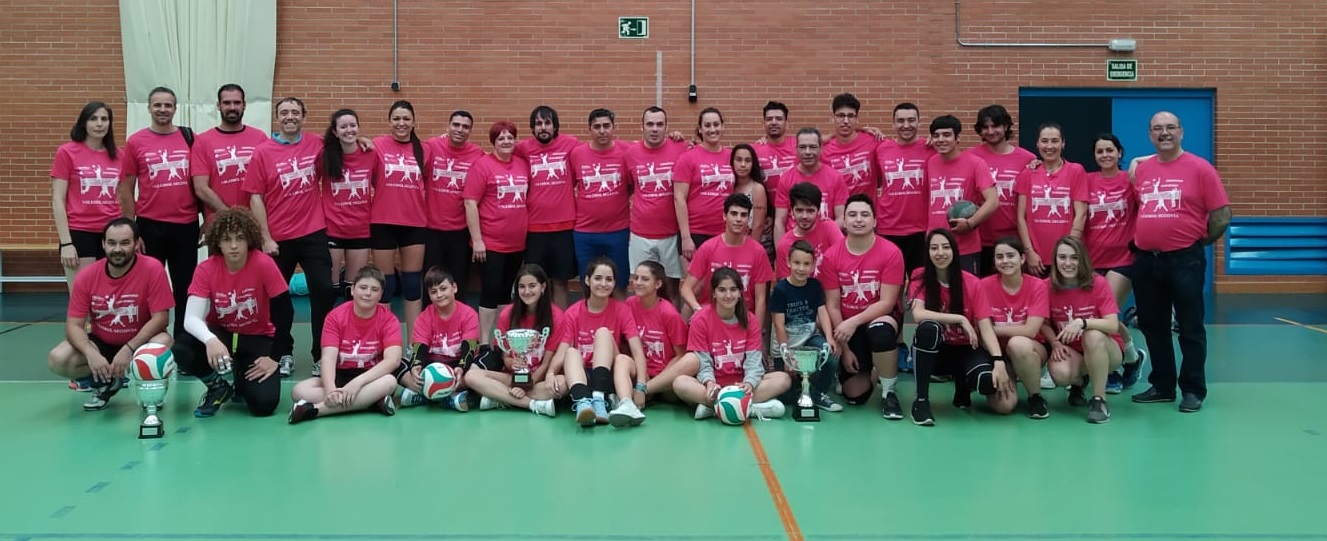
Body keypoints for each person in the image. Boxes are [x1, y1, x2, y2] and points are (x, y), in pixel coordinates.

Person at [1129, 111, 1231, 413]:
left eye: (1170, 127)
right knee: (1152, 325)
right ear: (1150, 135)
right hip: (1147, 261)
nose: (1164, 133)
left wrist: (1195, 242)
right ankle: (1162, 385)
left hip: (1185, 260)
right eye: (1157, 128)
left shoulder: (1201, 168)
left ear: (1181, 132)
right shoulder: (1143, 169)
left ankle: (1193, 389)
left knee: (1189, 326)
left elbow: (1222, 216)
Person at [243, 96, 336, 378]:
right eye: (284, 112)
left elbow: (344, 148)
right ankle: (282, 351)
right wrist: (266, 238)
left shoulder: (316, 144)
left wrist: (364, 141)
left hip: (313, 232)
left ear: (303, 117)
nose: (290, 116)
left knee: (323, 290)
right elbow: (255, 198)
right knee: (277, 298)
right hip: (278, 239)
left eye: (295, 112)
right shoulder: (263, 152)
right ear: (278, 118)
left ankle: (321, 354)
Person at [48, 218, 174, 411]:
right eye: (112, 243)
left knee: (163, 343)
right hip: (102, 343)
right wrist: (91, 354)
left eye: (125, 243)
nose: (117, 249)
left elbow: (161, 318)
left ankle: (149, 391)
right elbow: (73, 325)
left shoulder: (152, 268)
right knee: (58, 358)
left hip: (139, 343)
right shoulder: (87, 275)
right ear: (103, 244)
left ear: (136, 243)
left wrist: (129, 348)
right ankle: (104, 384)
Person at [171, 208, 285, 417]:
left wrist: (274, 357)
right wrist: (210, 340)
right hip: (222, 334)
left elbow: (286, 312)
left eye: (240, 238)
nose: (233, 246)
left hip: (257, 336)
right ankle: (217, 386)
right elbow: (191, 319)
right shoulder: (206, 269)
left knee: (263, 405)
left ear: (249, 240)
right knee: (182, 349)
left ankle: (241, 373)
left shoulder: (264, 264)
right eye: (227, 239)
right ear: (217, 242)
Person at [118, 86, 199, 337]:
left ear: (175, 108)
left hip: (185, 224)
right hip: (149, 225)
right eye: (158, 105)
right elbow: (126, 187)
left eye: (168, 105)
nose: (163, 110)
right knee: (148, 286)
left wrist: (208, 219)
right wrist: (132, 229)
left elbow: (202, 181)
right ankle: (149, 341)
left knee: (185, 286)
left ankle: (185, 343)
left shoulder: (189, 137)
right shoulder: (136, 142)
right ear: (149, 108)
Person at [906, 228, 1008, 426]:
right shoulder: (920, 276)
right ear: (927, 253)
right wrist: (960, 319)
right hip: (938, 352)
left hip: (965, 349)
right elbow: (918, 314)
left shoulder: (971, 283)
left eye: (945, 247)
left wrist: (998, 360)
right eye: (934, 248)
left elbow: (986, 327)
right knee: (928, 329)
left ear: (954, 250)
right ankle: (921, 401)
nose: (940, 253)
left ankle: (963, 386)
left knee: (987, 383)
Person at [821, 195, 907, 418]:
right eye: (852, 214)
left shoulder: (891, 252)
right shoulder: (831, 256)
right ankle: (875, 369)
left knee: (879, 331)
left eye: (864, 214)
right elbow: (833, 305)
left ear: (875, 221)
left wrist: (853, 322)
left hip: (880, 319)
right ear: (844, 221)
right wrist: (846, 349)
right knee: (853, 395)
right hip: (849, 327)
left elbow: (887, 303)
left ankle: (889, 393)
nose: (858, 220)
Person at [672, 268, 790, 421]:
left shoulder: (750, 320)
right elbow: (703, 361)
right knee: (680, 383)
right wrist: (709, 383)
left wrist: (750, 382)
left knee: (783, 379)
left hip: (741, 385)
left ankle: (716, 407)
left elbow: (754, 360)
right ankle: (748, 408)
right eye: (722, 290)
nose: (728, 295)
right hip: (715, 386)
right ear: (713, 293)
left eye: (733, 289)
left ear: (740, 293)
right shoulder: (700, 319)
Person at [288, 266, 401, 424]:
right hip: (341, 376)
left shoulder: (389, 320)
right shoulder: (335, 317)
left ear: (381, 294)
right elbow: (328, 357)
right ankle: (370, 402)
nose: (368, 293)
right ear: (353, 290)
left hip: (370, 378)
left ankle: (315, 410)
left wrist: (357, 383)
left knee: (389, 381)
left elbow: (393, 360)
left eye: (374, 289)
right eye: (363, 287)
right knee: (299, 391)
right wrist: (330, 390)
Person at [1084, 134, 1147, 393]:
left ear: (1119, 153)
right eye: (1100, 151)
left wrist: (1140, 159)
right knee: (1092, 315)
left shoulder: (1129, 179)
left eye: (1110, 150)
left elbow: (1165, 160)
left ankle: (1110, 372)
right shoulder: (1086, 180)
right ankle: (1132, 357)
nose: (1105, 155)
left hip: (1123, 259)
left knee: (1104, 314)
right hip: (1091, 259)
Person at [556, 257, 648, 427]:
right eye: (598, 278)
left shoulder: (622, 310)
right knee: (570, 352)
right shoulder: (572, 312)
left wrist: (641, 386)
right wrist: (549, 373)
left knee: (603, 333)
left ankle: (599, 399)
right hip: (585, 374)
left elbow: (637, 351)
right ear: (587, 280)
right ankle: (583, 403)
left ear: (614, 283)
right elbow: (562, 348)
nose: (603, 284)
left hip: (612, 375)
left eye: (609, 279)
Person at [1042, 236, 1123, 424]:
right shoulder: (1047, 286)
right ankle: (1080, 383)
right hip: (1073, 351)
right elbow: (1043, 323)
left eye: (1074, 257)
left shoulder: (1098, 283)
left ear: (1082, 260)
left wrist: (1083, 323)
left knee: (1092, 335)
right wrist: (1054, 342)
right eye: (1062, 257)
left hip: (1107, 350)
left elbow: (1112, 324)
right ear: (1055, 260)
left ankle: (1099, 400)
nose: (1068, 263)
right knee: (1060, 374)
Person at [463, 120, 531, 343]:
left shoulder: (522, 164)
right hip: (490, 244)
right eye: (501, 138)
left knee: (505, 293)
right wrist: (478, 240)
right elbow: (470, 203)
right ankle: (483, 342)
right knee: (490, 291)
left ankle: (500, 341)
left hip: (517, 243)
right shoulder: (482, 166)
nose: (506, 141)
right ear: (494, 142)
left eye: (510, 137)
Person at [464, 264, 562, 417]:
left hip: (538, 378)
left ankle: (500, 398)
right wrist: (511, 363)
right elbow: (505, 357)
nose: (527, 291)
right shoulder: (507, 314)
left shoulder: (556, 316)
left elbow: (546, 364)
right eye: (521, 287)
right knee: (471, 376)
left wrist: (526, 385)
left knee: (562, 384)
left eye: (532, 286)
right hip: (511, 377)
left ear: (543, 287)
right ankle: (532, 404)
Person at [370, 101, 431, 335]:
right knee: (386, 285)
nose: (401, 123)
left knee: (413, 284)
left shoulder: (426, 149)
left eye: (406, 119)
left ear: (414, 122)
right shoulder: (376, 145)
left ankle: (414, 345)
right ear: (389, 121)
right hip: (383, 221)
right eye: (396, 119)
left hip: (414, 222)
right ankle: (386, 340)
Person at [610, 260, 696, 425]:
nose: (638, 283)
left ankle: (641, 394)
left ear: (658, 284)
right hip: (641, 372)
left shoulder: (668, 313)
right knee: (621, 359)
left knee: (690, 362)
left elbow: (680, 355)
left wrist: (648, 386)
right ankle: (627, 405)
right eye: (636, 278)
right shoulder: (629, 305)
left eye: (644, 279)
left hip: (664, 379)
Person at [977, 237, 1051, 418]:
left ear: (1022, 258)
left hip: (1030, 349)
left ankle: (1035, 396)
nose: (1005, 261)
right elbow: (980, 332)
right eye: (999, 257)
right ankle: (1009, 376)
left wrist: (992, 330)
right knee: (1004, 406)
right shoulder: (984, 286)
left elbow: (1031, 331)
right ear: (994, 261)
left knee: (1018, 343)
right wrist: (998, 361)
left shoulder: (1037, 286)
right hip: (997, 353)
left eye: (1011, 256)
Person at [516, 106, 581, 307]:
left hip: (564, 227)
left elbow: (603, 147)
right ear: (533, 128)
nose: (543, 127)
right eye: (538, 123)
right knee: (534, 282)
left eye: (547, 123)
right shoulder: (522, 149)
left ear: (555, 126)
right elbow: (496, 154)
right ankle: (536, 326)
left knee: (561, 281)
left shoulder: (571, 145)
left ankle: (561, 326)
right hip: (535, 228)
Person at [52, 101, 121, 287]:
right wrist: (67, 243)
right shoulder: (67, 152)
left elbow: (123, 197)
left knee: (108, 298)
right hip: (79, 232)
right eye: (93, 119)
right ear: (84, 123)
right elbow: (58, 199)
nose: (99, 124)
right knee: (81, 300)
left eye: (104, 119)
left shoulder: (119, 156)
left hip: (111, 233)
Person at [770, 240, 842, 412]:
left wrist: (830, 338)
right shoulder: (780, 290)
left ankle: (818, 394)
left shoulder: (815, 286)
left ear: (813, 265)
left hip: (809, 339)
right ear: (788, 262)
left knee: (831, 354)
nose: (801, 268)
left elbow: (822, 310)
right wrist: (786, 354)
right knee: (787, 396)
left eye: (806, 264)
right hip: (786, 345)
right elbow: (779, 326)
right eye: (796, 263)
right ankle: (803, 392)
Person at [624, 106, 689, 296]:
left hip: (671, 233)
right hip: (640, 233)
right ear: (642, 127)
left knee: (671, 289)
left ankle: (672, 325)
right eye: (650, 124)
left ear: (667, 127)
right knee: (641, 287)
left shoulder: (681, 148)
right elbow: (629, 187)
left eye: (659, 124)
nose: (654, 129)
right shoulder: (630, 154)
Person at [924, 115, 999, 275]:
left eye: (946, 135)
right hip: (936, 246)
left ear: (958, 138)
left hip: (965, 247)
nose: (941, 139)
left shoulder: (975, 163)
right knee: (939, 296)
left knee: (967, 296)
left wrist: (970, 223)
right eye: (936, 135)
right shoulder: (931, 162)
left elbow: (993, 201)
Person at [680, 194, 774, 320]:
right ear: (725, 216)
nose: (738, 219)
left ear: (748, 219)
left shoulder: (758, 251)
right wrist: (698, 310)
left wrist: (755, 333)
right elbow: (686, 288)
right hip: (712, 316)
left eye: (743, 215)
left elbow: (760, 301)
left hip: (743, 317)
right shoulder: (708, 248)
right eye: (734, 214)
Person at [967, 105, 1037, 276]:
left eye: (995, 126)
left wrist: (1043, 167)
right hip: (980, 240)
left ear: (1006, 126)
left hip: (1013, 239)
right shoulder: (970, 157)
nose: (991, 131)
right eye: (985, 127)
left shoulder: (1028, 159)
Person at [396, 268, 478, 412]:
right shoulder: (424, 317)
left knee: (477, 370)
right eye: (434, 292)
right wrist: (416, 366)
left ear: (454, 288)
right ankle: (448, 397)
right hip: (431, 366)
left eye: (443, 289)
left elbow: (469, 348)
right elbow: (419, 347)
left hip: (457, 366)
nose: (439, 295)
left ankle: (425, 395)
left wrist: (461, 368)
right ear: (429, 295)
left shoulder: (469, 314)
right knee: (397, 364)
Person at [319, 109, 377, 313]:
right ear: (335, 132)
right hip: (332, 228)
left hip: (360, 229)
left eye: (353, 125)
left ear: (359, 128)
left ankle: (349, 331)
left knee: (352, 289)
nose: (349, 130)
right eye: (343, 127)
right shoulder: (325, 155)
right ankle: (328, 331)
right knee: (330, 287)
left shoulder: (370, 154)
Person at [1015, 122, 1088, 276]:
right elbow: (1021, 217)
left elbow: (1081, 215)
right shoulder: (1027, 173)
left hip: (1065, 259)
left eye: (1054, 141)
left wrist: (1067, 253)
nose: (1049, 146)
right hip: (1036, 259)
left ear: (1063, 143)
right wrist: (1029, 252)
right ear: (1037, 144)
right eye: (1044, 141)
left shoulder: (1076, 171)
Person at [423, 110, 484, 293]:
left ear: (470, 131)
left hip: (460, 230)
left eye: (465, 127)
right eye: (456, 125)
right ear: (448, 127)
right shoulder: (432, 146)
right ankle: (430, 319)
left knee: (457, 281)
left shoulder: (477, 154)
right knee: (431, 280)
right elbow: (406, 149)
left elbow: (495, 164)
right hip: (431, 229)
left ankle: (459, 321)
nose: (460, 129)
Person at [570, 108, 632, 289]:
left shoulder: (627, 151)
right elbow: (570, 185)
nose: (602, 130)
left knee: (619, 283)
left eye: (606, 126)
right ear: (590, 129)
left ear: (614, 127)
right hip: (585, 232)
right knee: (588, 283)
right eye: (597, 127)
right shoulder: (577, 154)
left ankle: (619, 317)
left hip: (618, 230)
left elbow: (632, 184)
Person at [191, 84, 270, 223]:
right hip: (220, 222)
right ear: (218, 105)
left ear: (244, 105)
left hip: (256, 221)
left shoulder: (260, 137)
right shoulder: (202, 141)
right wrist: (230, 216)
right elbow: (201, 188)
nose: (232, 107)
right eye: (227, 103)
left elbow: (269, 182)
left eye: (237, 102)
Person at [874, 102, 936, 275]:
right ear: (893, 123)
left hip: (921, 229)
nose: (906, 125)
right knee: (891, 284)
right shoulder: (881, 149)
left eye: (911, 120)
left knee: (921, 283)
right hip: (888, 227)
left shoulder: (931, 148)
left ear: (919, 122)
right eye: (900, 121)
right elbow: (879, 181)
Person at [673, 107, 734, 263]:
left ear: (723, 126)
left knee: (723, 284)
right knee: (694, 286)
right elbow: (679, 198)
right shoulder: (687, 158)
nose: (712, 129)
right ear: (700, 129)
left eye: (716, 124)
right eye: (707, 125)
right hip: (695, 232)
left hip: (725, 231)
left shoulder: (732, 156)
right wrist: (686, 238)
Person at [773, 127, 847, 241]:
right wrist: (781, 253)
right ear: (796, 149)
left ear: (821, 149)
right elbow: (779, 222)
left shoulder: (835, 177)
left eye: (813, 147)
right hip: (795, 246)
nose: (807, 152)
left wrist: (820, 236)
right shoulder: (786, 179)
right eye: (802, 147)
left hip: (824, 244)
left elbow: (841, 217)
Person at [773, 182, 843, 281]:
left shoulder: (829, 228)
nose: (804, 216)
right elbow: (786, 285)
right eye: (799, 210)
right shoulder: (784, 244)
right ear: (792, 211)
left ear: (818, 211)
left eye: (810, 211)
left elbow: (844, 262)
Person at [822, 93, 880, 198]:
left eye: (850, 116)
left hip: (867, 211)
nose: (845, 121)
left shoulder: (873, 141)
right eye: (840, 116)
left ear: (857, 118)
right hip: (838, 212)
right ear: (832, 118)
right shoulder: (824, 150)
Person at [731, 144, 769, 260]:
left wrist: (750, 252)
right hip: (731, 243)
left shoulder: (757, 188)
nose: (743, 165)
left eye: (748, 161)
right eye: (738, 160)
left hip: (753, 245)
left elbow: (758, 225)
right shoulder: (728, 186)